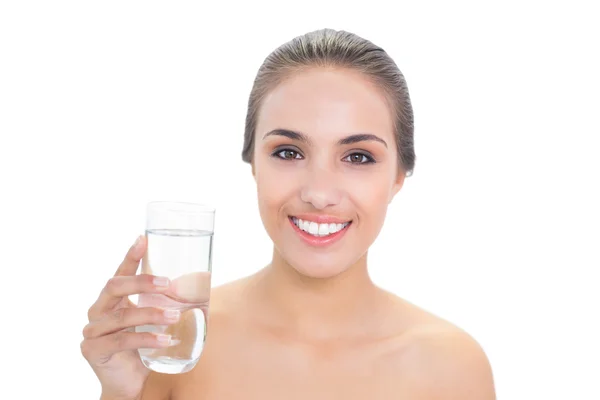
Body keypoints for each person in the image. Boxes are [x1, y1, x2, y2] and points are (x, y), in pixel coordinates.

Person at [81, 28, 496, 400]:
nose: (318, 193)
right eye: (288, 152)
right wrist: (122, 393)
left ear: (398, 178)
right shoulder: (176, 344)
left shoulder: (452, 369)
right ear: (254, 165)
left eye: (357, 156)